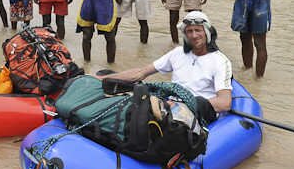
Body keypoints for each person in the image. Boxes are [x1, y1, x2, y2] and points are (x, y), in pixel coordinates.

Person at [99, 11, 233, 121]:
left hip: (196, 110)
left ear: (207, 32)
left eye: (198, 30)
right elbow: (141, 72)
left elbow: (224, 102)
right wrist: (104, 78)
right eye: (189, 31)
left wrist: (183, 105)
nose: (194, 35)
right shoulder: (178, 53)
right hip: (169, 104)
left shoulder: (220, 61)